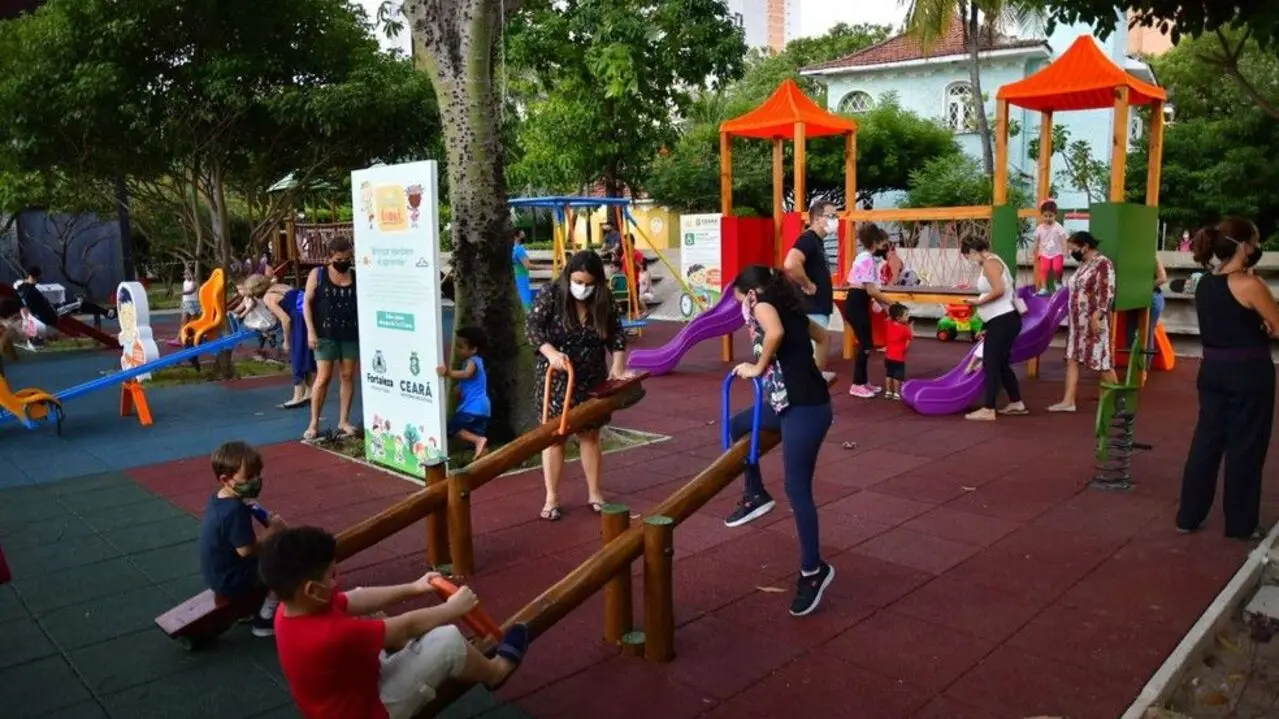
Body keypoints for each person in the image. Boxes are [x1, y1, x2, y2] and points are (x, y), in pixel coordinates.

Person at [259, 526, 529, 719]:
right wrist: (452, 608)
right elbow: (407, 625)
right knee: (447, 640)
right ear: (311, 590)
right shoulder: (329, 634)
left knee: (369, 614)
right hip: (371, 709)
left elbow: (359, 598)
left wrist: (413, 587)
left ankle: (403, 648)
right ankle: (496, 673)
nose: (338, 578)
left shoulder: (289, 609)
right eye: (332, 574)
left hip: (346, 694)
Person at [723, 265, 834, 617]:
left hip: (805, 408)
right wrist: (817, 371)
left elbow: (773, 334)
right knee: (737, 425)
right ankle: (754, 492)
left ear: (749, 292)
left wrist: (757, 367)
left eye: (739, 299)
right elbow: (825, 338)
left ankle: (814, 572)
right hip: (787, 402)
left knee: (798, 489)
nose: (741, 308)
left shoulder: (762, 304)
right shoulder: (792, 308)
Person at [1176, 220, 1279, 539]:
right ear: (1244, 245)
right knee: (1245, 446)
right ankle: (1240, 523)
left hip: (1213, 371)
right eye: (1255, 242)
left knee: (1206, 441)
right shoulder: (1249, 284)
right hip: (1249, 373)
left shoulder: (1206, 283)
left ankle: (1189, 514)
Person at [525, 250, 630, 521]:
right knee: (554, 437)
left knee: (590, 434)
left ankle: (595, 492)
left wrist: (618, 365)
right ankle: (551, 497)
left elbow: (617, 334)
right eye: (577, 281)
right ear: (568, 276)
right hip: (557, 377)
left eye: (588, 283)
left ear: (597, 283)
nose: (582, 288)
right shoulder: (552, 294)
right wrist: (550, 353)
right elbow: (533, 327)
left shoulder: (603, 301)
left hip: (592, 376)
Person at [198, 441, 286, 638]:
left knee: (271, 554)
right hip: (231, 580)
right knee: (285, 564)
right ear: (226, 479)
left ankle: (248, 607)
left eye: (258, 474)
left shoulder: (220, 499)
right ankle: (265, 618)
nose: (256, 481)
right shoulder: (234, 510)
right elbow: (246, 550)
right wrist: (273, 530)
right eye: (249, 477)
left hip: (218, 574)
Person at [1049, 231, 1117, 412]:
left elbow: (1107, 291)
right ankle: (1068, 400)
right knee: (1072, 358)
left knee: (1101, 361)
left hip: (1093, 320)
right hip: (1077, 322)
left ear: (1085, 246)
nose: (1072, 253)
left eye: (1074, 248)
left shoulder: (1103, 263)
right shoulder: (1083, 265)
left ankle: (1120, 398)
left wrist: (1098, 315)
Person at [961, 236, 1028, 421]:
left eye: (968, 256)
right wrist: (987, 323)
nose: (970, 261)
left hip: (1003, 319)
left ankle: (989, 408)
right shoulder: (994, 261)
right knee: (1000, 363)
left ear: (973, 252)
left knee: (991, 362)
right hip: (1001, 319)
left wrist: (978, 301)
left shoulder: (990, 263)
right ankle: (1016, 402)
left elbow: (999, 290)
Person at [303, 236, 359, 441]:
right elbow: (307, 304)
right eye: (339, 258)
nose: (343, 261)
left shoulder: (354, 275)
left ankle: (343, 420)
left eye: (347, 258)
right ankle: (314, 423)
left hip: (350, 332)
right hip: (325, 333)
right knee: (323, 377)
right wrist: (311, 331)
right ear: (330, 257)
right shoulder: (317, 274)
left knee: (347, 375)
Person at [782, 201, 835, 381]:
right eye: (831, 216)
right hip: (812, 308)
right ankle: (809, 394)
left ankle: (811, 389)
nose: (836, 220)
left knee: (812, 358)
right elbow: (790, 263)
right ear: (819, 219)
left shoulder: (817, 242)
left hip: (817, 308)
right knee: (810, 357)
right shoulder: (808, 239)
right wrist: (807, 284)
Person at [843, 223, 894, 398]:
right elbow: (871, 290)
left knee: (867, 344)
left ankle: (863, 382)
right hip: (856, 303)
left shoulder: (868, 258)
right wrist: (891, 304)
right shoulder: (866, 259)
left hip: (859, 302)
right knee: (865, 345)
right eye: (884, 244)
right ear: (875, 242)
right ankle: (857, 384)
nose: (885, 247)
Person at [437, 326, 491, 460]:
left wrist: (448, 373)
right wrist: (458, 390)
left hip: (472, 408)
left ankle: (478, 441)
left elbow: (467, 374)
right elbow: (466, 383)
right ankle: (482, 455)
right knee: (479, 438)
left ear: (473, 349)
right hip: (483, 409)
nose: (457, 350)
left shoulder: (473, 361)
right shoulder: (477, 363)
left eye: (461, 347)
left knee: (452, 428)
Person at [266, 282, 315, 410]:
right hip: (309, 312)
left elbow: (285, 319)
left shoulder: (268, 297)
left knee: (297, 355)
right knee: (306, 354)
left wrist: (286, 340)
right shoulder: (281, 287)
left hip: (299, 317)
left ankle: (297, 395)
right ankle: (309, 393)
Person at [1124, 255, 1168, 355]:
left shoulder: (1149, 255)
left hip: (1137, 294)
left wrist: (1141, 289)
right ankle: (1140, 366)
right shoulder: (1151, 254)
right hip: (1143, 294)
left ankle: (1137, 365)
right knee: (1145, 330)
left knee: (1138, 328)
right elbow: (1162, 278)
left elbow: (1162, 278)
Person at [1033, 200, 1068, 296]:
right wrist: (1033, 250)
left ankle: (1058, 282)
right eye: (1045, 216)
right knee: (1044, 269)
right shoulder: (1039, 228)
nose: (1048, 218)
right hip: (1044, 253)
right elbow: (1036, 240)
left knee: (1057, 268)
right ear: (1042, 215)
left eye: (1051, 216)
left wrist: (1065, 250)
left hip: (1057, 252)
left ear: (1055, 215)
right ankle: (1044, 288)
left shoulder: (1058, 227)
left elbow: (1063, 238)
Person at [882, 303, 912, 401]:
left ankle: (888, 391)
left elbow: (887, 319)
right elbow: (909, 339)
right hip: (898, 357)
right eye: (906, 315)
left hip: (888, 356)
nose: (908, 317)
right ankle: (896, 393)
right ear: (899, 318)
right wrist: (905, 349)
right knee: (897, 376)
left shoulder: (888, 324)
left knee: (889, 374)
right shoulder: (905, 329)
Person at [512, 229, 534, 310]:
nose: (524, 237)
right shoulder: (519, 249)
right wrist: (546, 267)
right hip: (522, 278)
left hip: (515, 276)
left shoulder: (511, 249)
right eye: (522, 235)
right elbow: (528, 266)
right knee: (524, 299)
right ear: (516, 237)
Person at [178, 267, 201, 342]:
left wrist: (182, 293)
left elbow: (191, 290)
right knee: (183, 321)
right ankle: (180, 338)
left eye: (188, 274)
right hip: (186, 302)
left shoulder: (194, 282)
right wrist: (182, 302)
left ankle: (190, 336)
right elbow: (184, 292)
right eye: (185, 274)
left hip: (193, 303)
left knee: (192, 321)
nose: (185, 275)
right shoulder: (184, 282)